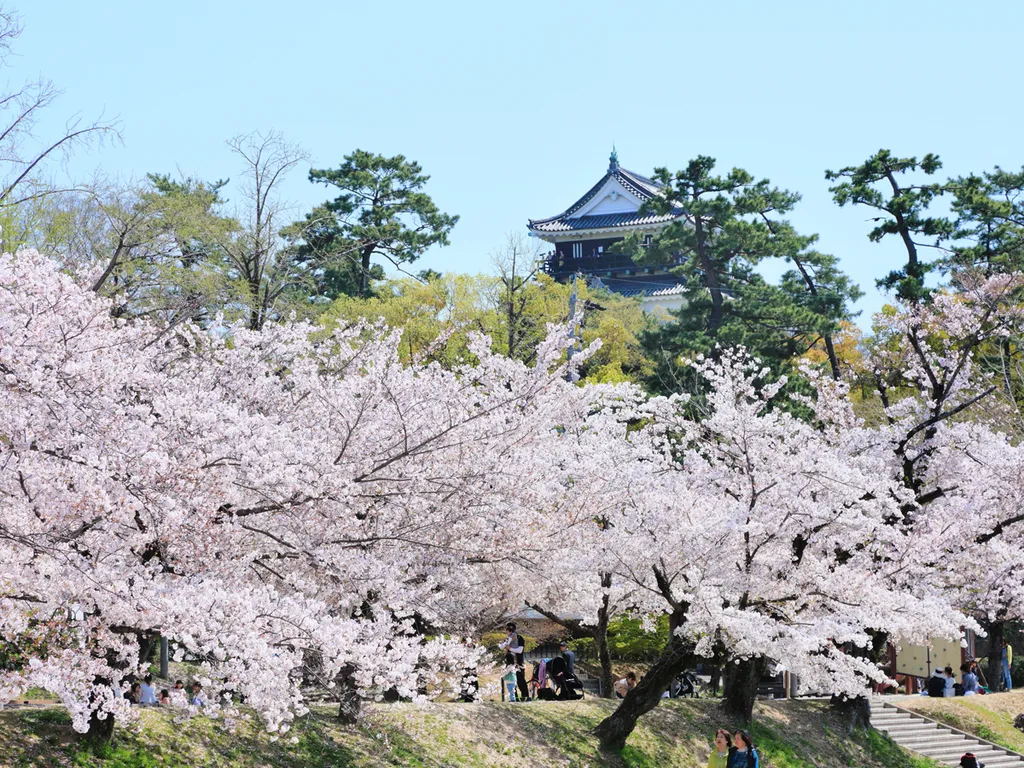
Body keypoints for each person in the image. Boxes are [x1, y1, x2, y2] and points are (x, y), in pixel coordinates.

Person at [498, 622, 529, 702]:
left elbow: (520, 650)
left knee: (520, 680)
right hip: (510, 663)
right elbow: (501, 647)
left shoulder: (519, 638)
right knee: (512, 681)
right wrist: (505, 644)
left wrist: (509, 648)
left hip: (518, 663)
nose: (507, 632)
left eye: (508, 630)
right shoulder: (507, 639)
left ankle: (525, 697)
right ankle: (514, 698)